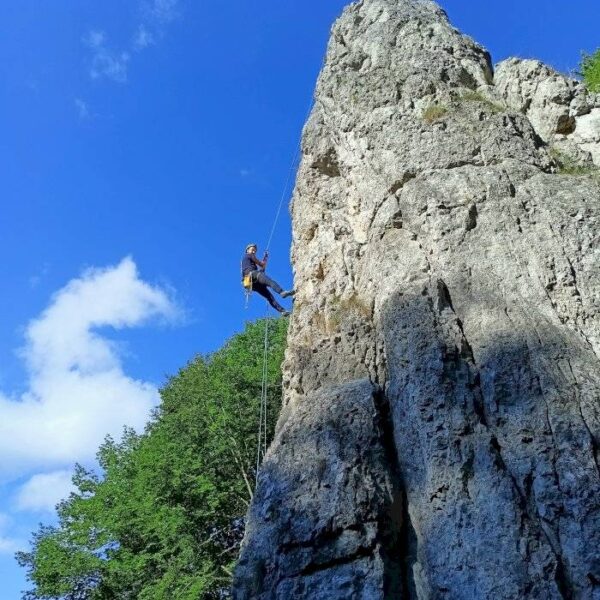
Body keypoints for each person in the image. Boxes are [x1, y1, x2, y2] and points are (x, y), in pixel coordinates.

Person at [241, 243, 294, 315]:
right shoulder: (249, 255)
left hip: (251, 283)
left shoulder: (245, 261)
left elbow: (262, 269)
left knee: (269, 296)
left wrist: (265, 258)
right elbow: (261, 264)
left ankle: (282, 311)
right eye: (252, 250)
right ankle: (282, 292)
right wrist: (264, 259)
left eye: (255, 251)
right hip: (252, 275)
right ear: (247, 250)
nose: (254, 252)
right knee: (270, 282)